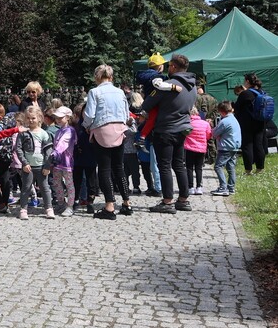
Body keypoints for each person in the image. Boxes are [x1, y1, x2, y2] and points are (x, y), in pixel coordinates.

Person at [142, 53, 196, 214]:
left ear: (173, 67)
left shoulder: (166, 85)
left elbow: (147, 104)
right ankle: (184, 199)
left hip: (165, 129)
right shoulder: (192, 86)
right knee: (179, 165)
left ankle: (167, 201)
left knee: (164, 166)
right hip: (183, 129)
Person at [83, 64, 132, 220]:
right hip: (120, 128)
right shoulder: (120, 92)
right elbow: (126, 113)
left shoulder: (94, 92)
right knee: (119, 167)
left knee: (104, 169)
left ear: (97, 77)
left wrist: (86, 126)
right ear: (111, 77)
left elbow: (89, 115)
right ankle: (126, 203)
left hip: (103, 130)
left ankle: (109, 206)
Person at [14, 105, 54, 220]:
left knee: (44, 187)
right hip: (28, 166)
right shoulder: (23, 133)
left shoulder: (44, 133)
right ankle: (23, 209)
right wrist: (24, 163)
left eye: (33, 118)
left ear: (39, 118)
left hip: (41, 166)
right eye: (28, 118)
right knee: (26, 188)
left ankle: (49, 208)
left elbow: (49, 151)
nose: (31, 121)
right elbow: (19, 149)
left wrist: (47, 165)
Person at [234, 73, 268, 175]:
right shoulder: (262, 92)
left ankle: (248, 170)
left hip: (247, 123)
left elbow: (237, 108)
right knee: (259, 145)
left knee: (247, 146)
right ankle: (260, 168)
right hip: (261, 122)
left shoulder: (245, 94)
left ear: (247, 81)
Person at [49, 106, 77, 216]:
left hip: (67, 161)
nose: (58, 119)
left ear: (68, 117)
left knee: (69, 183)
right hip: (57, 162)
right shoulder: (58, 131)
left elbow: (63, 143)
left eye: (61, 117)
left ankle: (70, 206)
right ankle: (61, 203)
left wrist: (55, 153)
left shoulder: (70, 131)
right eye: (57, 117)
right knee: (56, 183)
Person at [72, 101, 99, 214]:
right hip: (78, 156)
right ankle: (75, 200)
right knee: (77, 180)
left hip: (91, 155)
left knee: (91, 180)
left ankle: (90, 201)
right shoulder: (76, 125)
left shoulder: (95, 125)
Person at [211, 101, 242, 196]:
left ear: (222, 112)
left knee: (218, 166)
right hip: (235, 146)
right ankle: (231, 188)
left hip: (226, 147)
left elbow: (214, 133)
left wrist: (214, 131)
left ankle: (223, 187)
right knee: (230, 167)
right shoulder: (234, 119)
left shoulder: (224, 121)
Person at [185, 107, 212, 195]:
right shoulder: (205, 124)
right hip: (201, 148)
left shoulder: (187, 123)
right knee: (199, 168)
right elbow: (208, 136)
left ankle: (190, 187)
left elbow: (184, 134)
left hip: (189, 148)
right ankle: (199, 187)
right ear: (197, 113)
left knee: (189, 168)